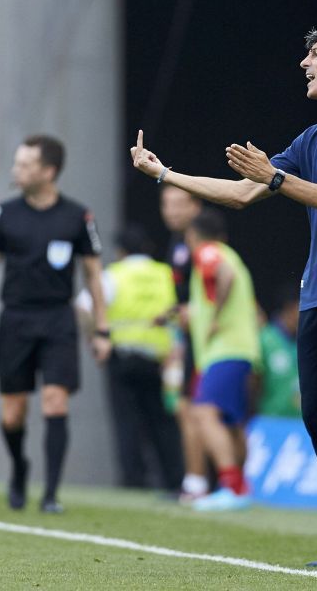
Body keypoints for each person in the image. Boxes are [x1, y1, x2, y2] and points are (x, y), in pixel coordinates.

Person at [130, 26, 317, 568]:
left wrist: (276, 179)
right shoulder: (314, 138)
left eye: (314, 55)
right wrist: (164, 173)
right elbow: (241, 193)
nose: (304, 63)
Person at [0, 135, 111, 513]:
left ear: (48, 171)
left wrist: (102, 330)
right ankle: (19, 469)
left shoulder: (78, 216)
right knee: (12, 413)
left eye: (25, 165)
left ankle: (50, 494)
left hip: (58, 319)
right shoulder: (4, 213)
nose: (16, 171)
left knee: (55, 401)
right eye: (17, 163)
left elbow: (94, 276)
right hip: (15, 319)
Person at [76, 225, 183, 491]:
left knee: (127, 423)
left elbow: (82, 306)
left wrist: (96, 338)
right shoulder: (165, 274)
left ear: (120, 251)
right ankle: (174, 481)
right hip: (160, 361)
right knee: (163, 423)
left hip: (122, 359)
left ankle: (134, 481)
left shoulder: (115, 275)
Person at [183, 208, 259, 511]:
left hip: (224, 350)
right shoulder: (232, 256)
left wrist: (214, 316)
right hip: (243, 350)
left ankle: (231, 486)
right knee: (231, 422)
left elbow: (221, 275)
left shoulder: (208, 252)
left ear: (192, 236)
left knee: (203, 412)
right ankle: (240, 487)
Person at [159, 183, 209, 500]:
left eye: (179, 203)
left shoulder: (204, 244)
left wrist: (197, 310)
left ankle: (203, 483)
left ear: (196, 206)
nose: (172, 210)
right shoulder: (178, 244)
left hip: (209, 342)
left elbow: (219, 283)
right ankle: (196, 482)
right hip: (188, 339)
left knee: (200, 411)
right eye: (167, 204)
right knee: (186, 408)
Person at [255, 286, 301, 418]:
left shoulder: (307, 341)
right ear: (290, 307)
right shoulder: (265, 339)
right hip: (270, 423)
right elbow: (254, 382)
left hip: (301, 426)